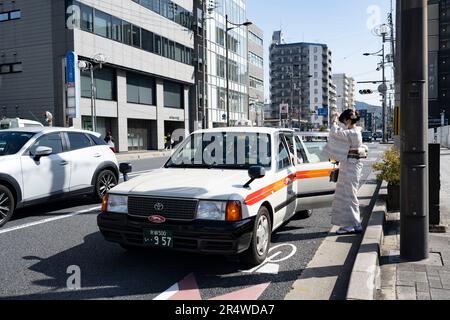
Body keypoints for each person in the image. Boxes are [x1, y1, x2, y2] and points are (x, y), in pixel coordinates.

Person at [328, 109, 368, 235]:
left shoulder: (352, 133)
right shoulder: (355, 131)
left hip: (351, 166)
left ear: (348, 120)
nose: (344, 123)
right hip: (351, 165)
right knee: (347, 195)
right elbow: (343, 131)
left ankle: (353, 224)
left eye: (345, 121)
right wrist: (339, 117)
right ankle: (351, 224)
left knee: (349, 196)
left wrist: (334, 120)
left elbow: (335, 132)